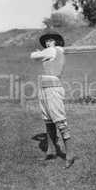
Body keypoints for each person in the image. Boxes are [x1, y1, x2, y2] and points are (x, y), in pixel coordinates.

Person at [30, 29, 74, 169]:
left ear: (56, 41)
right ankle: (51, 151)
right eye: (47, 41)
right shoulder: (53, 52)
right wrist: (40, 54)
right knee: (48, 121)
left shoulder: (52, 51)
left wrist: (37, 53)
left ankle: (70, 154)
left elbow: (33, 56)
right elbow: (39, 57)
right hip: (44, 88)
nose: (48, 42)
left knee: (60, 121)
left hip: (53, 89)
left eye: (51, 40)